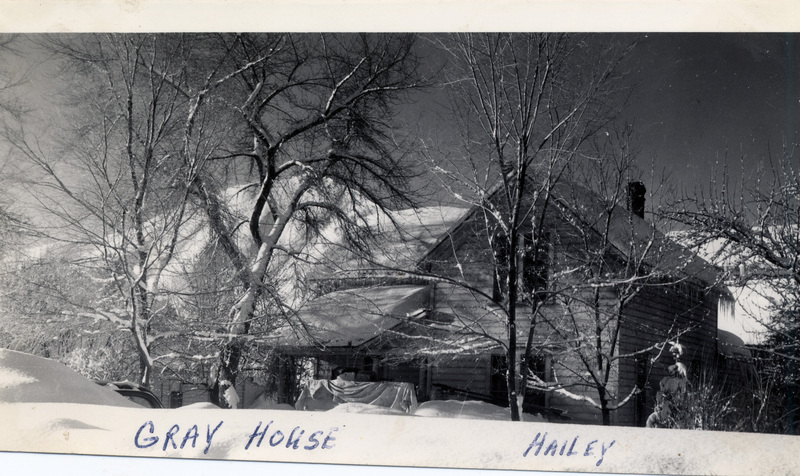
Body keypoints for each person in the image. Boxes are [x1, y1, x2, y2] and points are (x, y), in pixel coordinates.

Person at [646, 343, 689, 428]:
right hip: (664, 412)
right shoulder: (666, 382)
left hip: (671, 415)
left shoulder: (677, 383)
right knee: (651, 420)